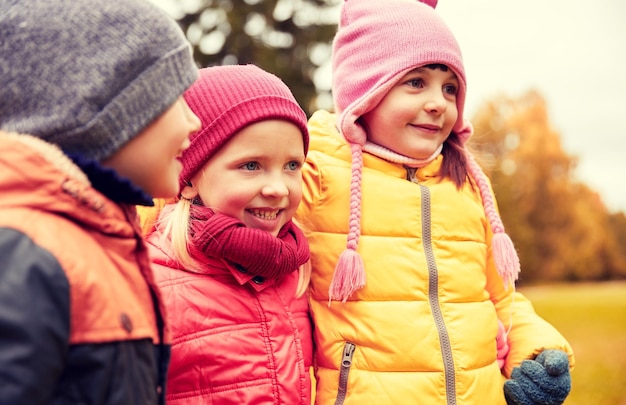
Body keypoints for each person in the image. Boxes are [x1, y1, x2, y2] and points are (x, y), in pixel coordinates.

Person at [294, 0, 575, 404]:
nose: (439, 103)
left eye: (450, 88)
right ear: (365, 88)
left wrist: (534, 349)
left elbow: (500, 300)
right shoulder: (313, 174)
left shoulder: (466, 183)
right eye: (415, 82)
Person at [0, 0, 201, 403]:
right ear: (105, 109)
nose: (193, 121)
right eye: (175, 97)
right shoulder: (25, 254)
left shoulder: (104, 239)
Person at [141, 64, 314, 404]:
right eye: (251, 166)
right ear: (188, 179)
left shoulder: (300, 272)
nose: (278, 187)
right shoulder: (150, 281)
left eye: (292, 165)